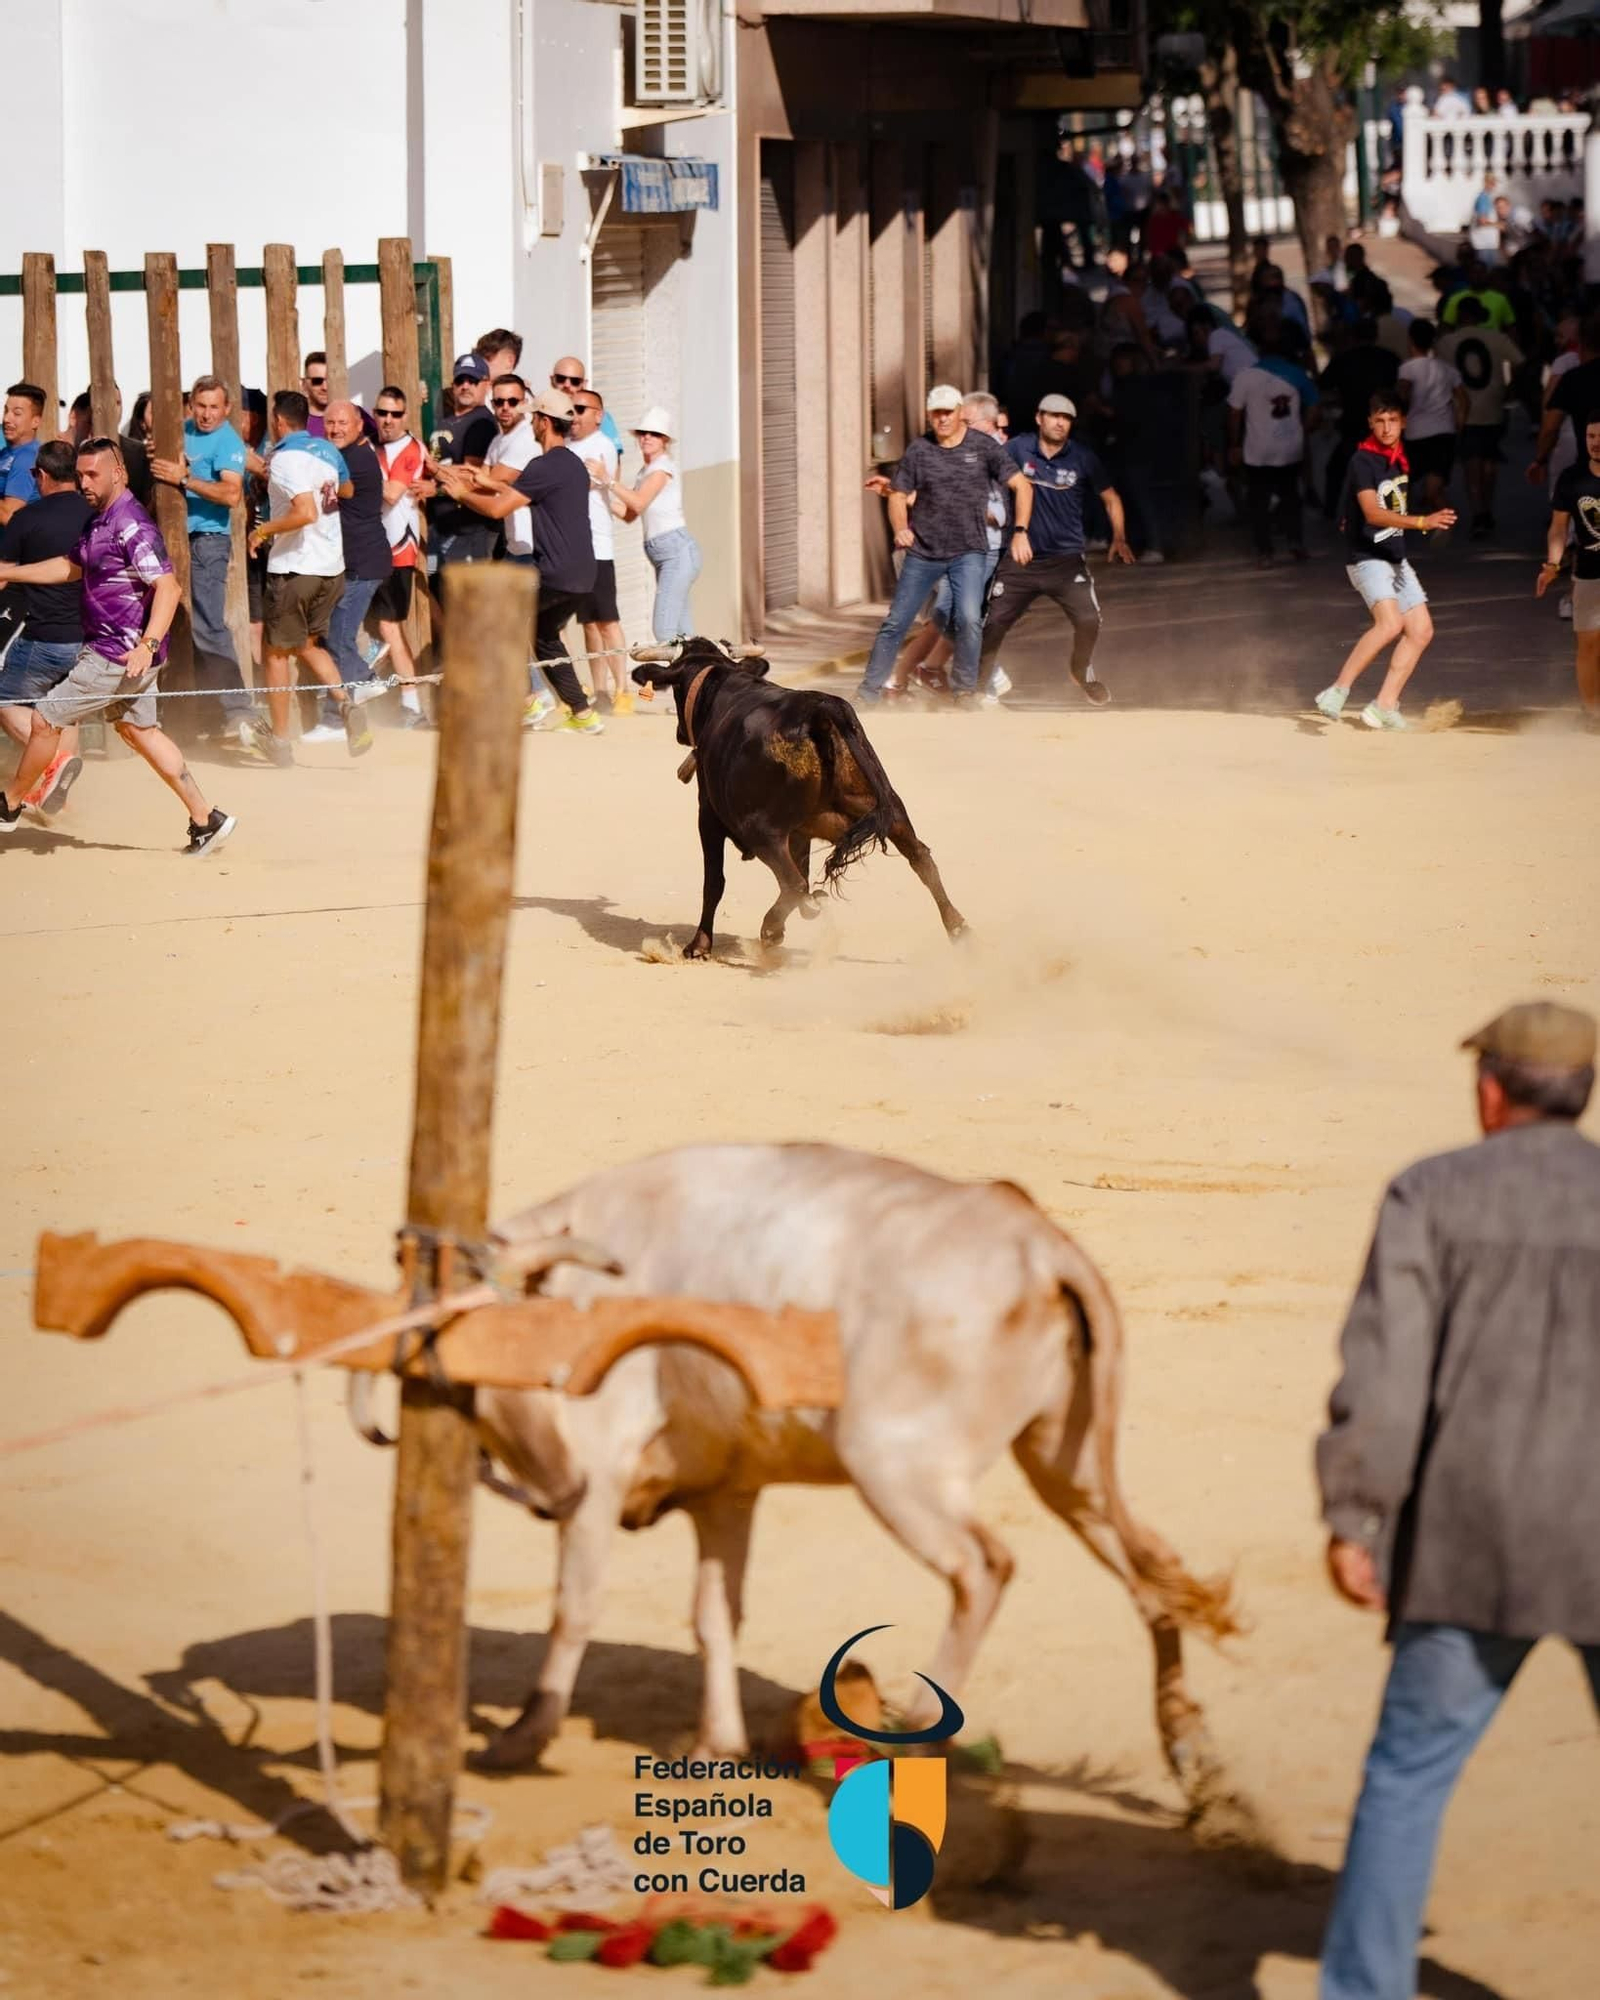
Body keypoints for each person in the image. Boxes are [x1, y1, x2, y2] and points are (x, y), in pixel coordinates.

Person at [1316, 1000, 1600, 2000]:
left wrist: (1354, 1515)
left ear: (1489, 1090)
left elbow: (1385, 1380)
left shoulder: (1430, 1192)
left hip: (1471, 1537)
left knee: (1407, 1777)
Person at [0, 436, 235, 853]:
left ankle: (10, 804)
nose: (85, 483)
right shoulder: (99, 520)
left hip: (116, 655)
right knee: (139, 730)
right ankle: (206, 819)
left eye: (93, 474)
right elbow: (70, 567)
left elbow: (168, 587)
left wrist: (148, 644)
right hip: (125, 655)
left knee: (45, 721)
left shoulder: (131, 525)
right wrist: (10, 573)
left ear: (119, 473)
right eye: (80, 475)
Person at [433, 387, 602, 735]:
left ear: (544, 421)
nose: (530, 423)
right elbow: (528, 495)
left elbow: (498, 509)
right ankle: (583, 714)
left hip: (555, 573)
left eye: (533, 417)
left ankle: (529, 701)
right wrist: (486, 481)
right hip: (584, 572)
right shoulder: (572, 464)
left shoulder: (543, 465)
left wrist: (462, 493)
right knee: (544, 635)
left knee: (500, 620)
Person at [855, 384, 1031, 706]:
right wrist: (900, 526)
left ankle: (961, 688)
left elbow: (1022, 485)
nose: (943, 419)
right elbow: (905, 495)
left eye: (949, 412)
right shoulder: (920, 450)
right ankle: (872, 691)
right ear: (929, 415)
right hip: (925, 551)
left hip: (972, 551)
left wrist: (1020, 531)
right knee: (904, 621)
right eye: (936, 413)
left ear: (960, 413)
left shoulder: (985, 448)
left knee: (964, 618)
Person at [1315, 390, 1456, 730]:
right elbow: (1373, 513)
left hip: (1395, 559)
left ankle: (1384, 706)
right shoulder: (1363, 460)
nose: (1387, 427)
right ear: (1370, 423)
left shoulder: (1399, 457)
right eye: (1380, 421)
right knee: (1390, 624)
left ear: (1404, 422)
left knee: (1421, 631)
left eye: (1393, 420)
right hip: (1367, 558)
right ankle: (1337, 690)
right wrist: (1422, 521)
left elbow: (1360, 505)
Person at [976, 392, 1129, 705]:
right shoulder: (1018, 448)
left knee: (1089, 620)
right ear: (1039, 418)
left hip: (1066, 561)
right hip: (1021, 559)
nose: (1060, 423)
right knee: (993, 624)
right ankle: (977, 689)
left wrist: (1119, 537)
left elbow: (1111, 498)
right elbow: (982, 476)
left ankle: (1080, 668)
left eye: (1066, 418)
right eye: (1054, 416)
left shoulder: (1082, 457)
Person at [247, 388, 371, 763]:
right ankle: (347, 705)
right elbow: (347, 489)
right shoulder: (328, 451)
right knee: (307, 645)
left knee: (275, 654)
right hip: (331, 567)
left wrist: (262, 531)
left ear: (278, 421)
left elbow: (305, 513)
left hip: (295, 567)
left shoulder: (285, 458)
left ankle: (280, 741)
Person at [148, 373, 256, 749]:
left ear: (227, 409)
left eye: (214, 407)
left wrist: (186, 478)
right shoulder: (180, 431)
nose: (207, 414)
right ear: (191, 405)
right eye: (201, 406)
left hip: (208, 541)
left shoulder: (228, 441)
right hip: (171, 539)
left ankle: (241, 712)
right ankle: (189, 715)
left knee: (209, 627)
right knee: (171, 627)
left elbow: (231, 494)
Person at [0, 437, 93, 812]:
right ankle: (58, 796)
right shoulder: (96, 514)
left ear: (41, 475)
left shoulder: (27, 518)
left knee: (5, 701)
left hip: (44, 636)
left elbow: (2, 576)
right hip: (90, 637)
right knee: (64, 709)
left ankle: (54, 765)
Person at [309, 399, 390, 739]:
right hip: (352, 563)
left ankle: (343, 709)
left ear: (359, 425)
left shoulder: (355, 459)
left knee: (339, 639)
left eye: (343, 423)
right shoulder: (344, 456)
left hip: (362, 563)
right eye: (330, 423)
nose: (336, 429)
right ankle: (346, 704)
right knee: (335, 637)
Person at [606, 408, 704, 646]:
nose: (647, 437)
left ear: (665, 440)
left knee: (664, 630)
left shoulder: (662, 468)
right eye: (643, 433)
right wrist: (599, 500)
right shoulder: (645, 472)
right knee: (683, 634)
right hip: (667, 555)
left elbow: (638, 503)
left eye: (655, 434)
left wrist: (607, 481)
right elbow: (629, 514)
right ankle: (700, 669)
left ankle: (693, 668)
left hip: (676, 552)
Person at [1436, 297, 1523, 538]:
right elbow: (1519, 361)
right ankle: (1487, 507)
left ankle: (1478, 512)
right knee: (1489, 460)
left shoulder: (1446, 342)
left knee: (1471, 463)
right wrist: (1510, 387)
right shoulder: (1497, 338)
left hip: (1464, 410)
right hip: (1493, 406)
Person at [568, 388, 630, 714]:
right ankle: (600, 690)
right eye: (571, 409)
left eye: (581, 409)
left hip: (598, 547)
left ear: (598, 415)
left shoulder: (602, 444)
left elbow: (587, 482)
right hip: (575, 548)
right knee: (588, 624)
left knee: (607, 620)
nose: (574, 415)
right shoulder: (567, 446)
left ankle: (622, 689)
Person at [370, 385, 427, 726]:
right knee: (376, 627)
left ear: (405, 416)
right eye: (382, 413)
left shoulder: (410, 448)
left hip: (398, 549)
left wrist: (357, 476)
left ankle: (412, 704)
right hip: (373, 548)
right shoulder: (374, 447)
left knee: (389, 626)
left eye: (395, 414)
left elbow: (391, 493)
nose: (388, 420)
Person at [1538, 412, 1600, 719]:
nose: (1596, 443)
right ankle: (1592, 712)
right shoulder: (1572, 479)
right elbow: (1559, 528)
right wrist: (1552, 564)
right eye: (1591, 437)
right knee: (1588, 646)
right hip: (1588, 573)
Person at [1228, 344, 1312, 566]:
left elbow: (1235, 414)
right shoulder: (1297, 374)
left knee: (1259, 500)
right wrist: (1302, 431)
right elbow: (1315, 407)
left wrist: (1234, 444)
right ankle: (1295, 542)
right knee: (1290, 495)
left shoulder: (1245, 376)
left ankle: (1265, 551)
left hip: (1257, 451)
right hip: (1290, 448)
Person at [419, 355, 498, 582]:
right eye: (460, 380)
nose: (465, 386)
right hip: (441, 524)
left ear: (486, 384)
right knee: (439, 591)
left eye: (473, 381)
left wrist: (435, 488)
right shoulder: (446, 421)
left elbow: (472, 477)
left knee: (467, 595)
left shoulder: (482, 423)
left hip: (469, 528)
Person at [1320, 321, 1401, 519]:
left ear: (1353, 337)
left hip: (1353, 425)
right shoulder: (1390, 358)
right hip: (1384, 426)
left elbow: (1324, 385)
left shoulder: (1344, 359)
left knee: (1336, 470)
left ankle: (1330, 511)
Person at [1398, 321, 1465, 517]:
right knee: (1433, 488)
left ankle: (1405, 521)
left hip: (1415, 434)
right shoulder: (1447, 369)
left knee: (1403, 482)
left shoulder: (1407, 369)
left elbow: (1402, 395)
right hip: (1444, 434)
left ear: (1410, 340)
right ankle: (1444, 520)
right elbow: (1464, 399)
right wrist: (1459, 423)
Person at [550, 356, 623, 448]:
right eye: (561, 379)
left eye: (575, 381)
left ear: (584, 384)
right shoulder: (543, 413)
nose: (567, 385)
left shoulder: (598, 416)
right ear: (552, 380)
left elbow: (612, 454)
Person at [0, 382, 45, 527]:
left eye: (17, 413)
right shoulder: (5, 453)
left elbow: (9, 516)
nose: (6, 419)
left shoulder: (28, 458)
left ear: (35, 422)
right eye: (6, 411)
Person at [301, 351, 331, 437]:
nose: (325, 387)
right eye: (317, 381)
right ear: (304, 384)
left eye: (330, 380)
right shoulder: (293, 420)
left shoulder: (356, 414)